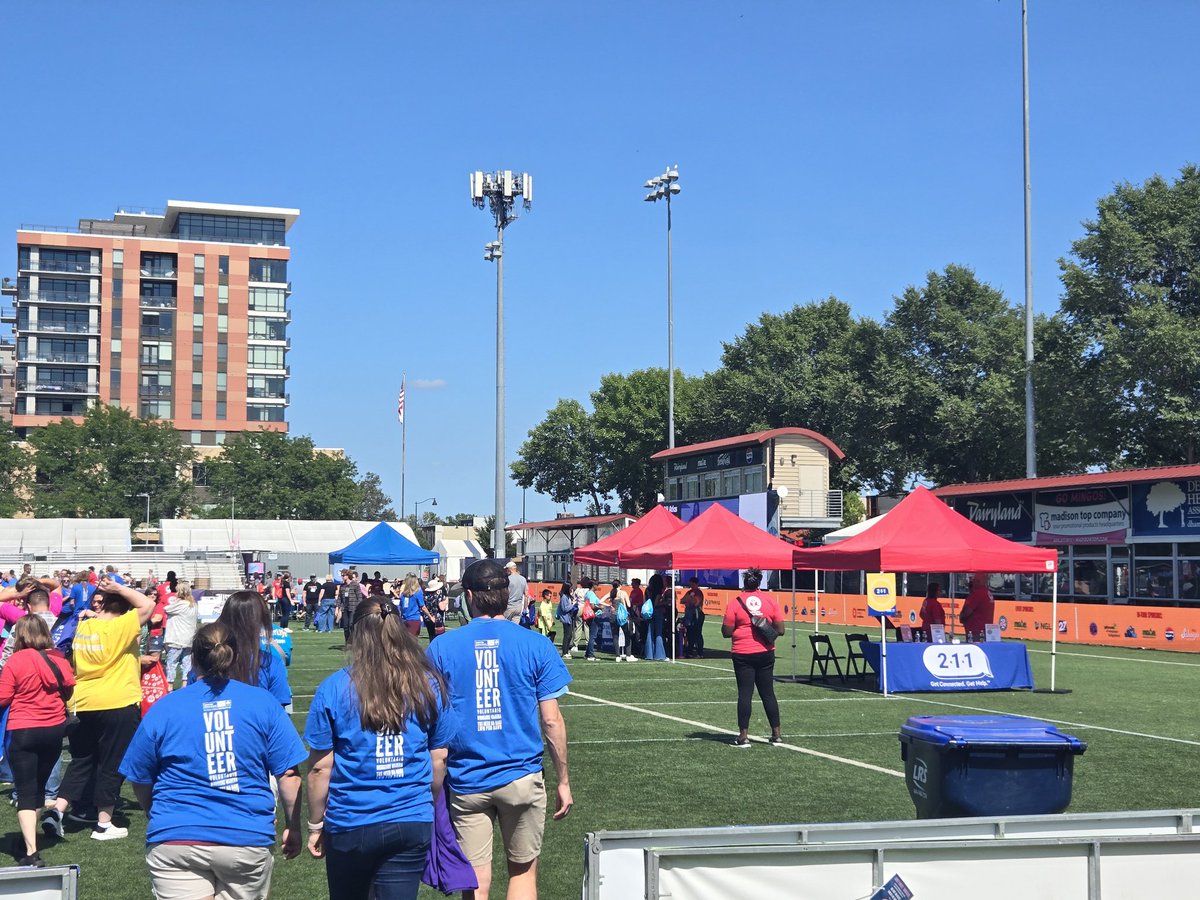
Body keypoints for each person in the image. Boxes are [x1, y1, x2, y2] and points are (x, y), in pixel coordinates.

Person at [120, 623, 306, 899]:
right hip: (244, 837)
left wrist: (153, 811)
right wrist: (294, 826)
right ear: (235, 655)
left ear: (194, 658)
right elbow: (289, 774)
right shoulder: (262, 703)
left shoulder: (166, 707)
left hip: (177, 837)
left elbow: (139, 775)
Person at [426, 559, 572, 900]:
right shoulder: (535, 643)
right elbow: (552, 720)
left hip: (467, 779)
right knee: (523, 874)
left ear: (471, 597)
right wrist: (563, 779)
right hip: (520, 777)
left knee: (475, 882)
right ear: (507, 595)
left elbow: (430, 722)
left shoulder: (441, 647)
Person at [304, 597, 456, 900]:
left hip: (352, 820)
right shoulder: (427, 683)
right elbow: (438, 759)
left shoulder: (335, 687)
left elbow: (321, 767)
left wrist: (315, 823)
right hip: (409, 818)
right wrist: (427, 800)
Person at [43, 577, 155, 841]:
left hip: (83, 702)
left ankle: (57, 811)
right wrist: (120, 588)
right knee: (111, 764)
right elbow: (148, 605)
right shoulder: (121, 625)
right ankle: (104, 823)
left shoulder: (84, 626)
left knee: (82, 760)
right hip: (117, 702)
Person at [0, 615, 75, 866]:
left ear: (20, 635)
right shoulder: (58, 658)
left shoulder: (16, 660)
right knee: (39, 788)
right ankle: (29, 840)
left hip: (23, 729)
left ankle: (31, 851)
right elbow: (69, 687)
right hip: (53, 729)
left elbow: (2, 697)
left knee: (25, 791)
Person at [721, 568, 784, 747]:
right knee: (768, 693)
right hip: (765, 652)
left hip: (742, 653)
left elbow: (727, 632)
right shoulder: (770, 601)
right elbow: (780, 629)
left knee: (745, 694)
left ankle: (743, 736)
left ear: (744, 583)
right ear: (759, 583)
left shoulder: (735, 602)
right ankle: (776, 734)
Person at [163, 578, 199, 687]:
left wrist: (175, 600)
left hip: (176, 638)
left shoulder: (180, 604)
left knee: (171, 663)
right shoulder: (193, 605)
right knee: (186, 664)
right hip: (189, 639)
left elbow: (166, 608)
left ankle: (169, 686)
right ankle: (185, 685)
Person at [337, 572, 365, 646]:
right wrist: (337, 607)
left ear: (348, 576)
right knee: (345, 626)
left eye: (343, 575)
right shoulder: (342, 586)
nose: (342, 577)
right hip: (345, 608)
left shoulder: (355, 585)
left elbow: (359, 597)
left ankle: (354, 641)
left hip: (353, 607)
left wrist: (359, 607)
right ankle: (348, 642)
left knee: (351, 624)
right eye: (342, 575)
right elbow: (340, 598)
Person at [681, 578, 705, 659]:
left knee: (697, 633)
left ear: (696, 584)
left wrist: (690, 599)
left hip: (697, 615)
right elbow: (682, 600)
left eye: (692, 584)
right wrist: (688, 598)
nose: (690, 585)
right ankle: (689, 651)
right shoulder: (689, 592)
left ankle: (700, 653)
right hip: (689, 615)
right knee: (689, 633)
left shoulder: (698, 592)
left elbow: (696, 602)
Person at [399, 574, 427, 638]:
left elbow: (401, 608)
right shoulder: (418, 592)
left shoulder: (403, 594)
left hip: (404, 620)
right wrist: (430, 617)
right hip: (414, 619)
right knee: (413, 641)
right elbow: (423, 607)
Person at [556, 583, 577, 660]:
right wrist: (573, 605)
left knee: (570, 635)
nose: (571, 589)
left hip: (569, 618)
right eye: (570, 587)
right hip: (565, 619)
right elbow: (565, 609)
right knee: (567, 635)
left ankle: (567, 651)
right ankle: (564, 652)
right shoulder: (563, 597)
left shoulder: (567, 596)